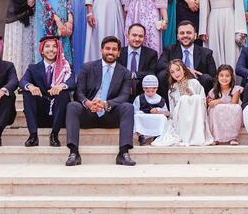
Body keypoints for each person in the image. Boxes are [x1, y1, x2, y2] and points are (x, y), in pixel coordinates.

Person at [65, 36, 135, 166]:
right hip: (89, 113)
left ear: (119, 53)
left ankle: (123, 153)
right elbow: (79, 92)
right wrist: (88, 103)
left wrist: (106, 104)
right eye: (107, 48)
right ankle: (73, 153)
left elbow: (124, 96)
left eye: (114, 49)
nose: (110, 52)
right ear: (101, 50)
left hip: (110, 114)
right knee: (72, 106)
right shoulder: (87, 67)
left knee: (128, 107)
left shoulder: (125, 72)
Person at [20, 35, 73, 148]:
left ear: (58, 50)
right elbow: (23, 81)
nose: (51, 49)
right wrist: (31, 87)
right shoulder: (33, 68)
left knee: (64, 92)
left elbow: (73, 82)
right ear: (42, 51)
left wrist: (61, 86)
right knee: (27, 92)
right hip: (40, 112)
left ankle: (54, 135)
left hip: (58, 113)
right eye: (47, 46)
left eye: (54, 46)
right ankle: (33, 135)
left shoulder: (66, 67)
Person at [152, 59, 214, 146]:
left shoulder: (194, 83)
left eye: (178, 70)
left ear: (184, 70)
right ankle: (185, 135)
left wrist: (192, 96)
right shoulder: (172, 89)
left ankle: (196, 135)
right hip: (180, 118)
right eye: (172, 72)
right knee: (184, 99)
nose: (176, 74)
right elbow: (173, 110)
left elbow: (203, 102)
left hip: (195, 117)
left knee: (194, 98)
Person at [157, 21, 217, 95]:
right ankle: (168, 105)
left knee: (206, 78)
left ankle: (202, 105)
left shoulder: (206, 53)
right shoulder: (169, 50)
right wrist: (186, 69)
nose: (185, 35)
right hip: (175, 83)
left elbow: (213, 77)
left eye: (189, 33)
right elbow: (160, 65)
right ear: (177, 36)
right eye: (182, 33)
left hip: (197, 86)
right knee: (162, 75)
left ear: (195, 35)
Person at [118, 23, 158, 98]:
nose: (137, 39)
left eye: (140, 36)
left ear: (144, 38)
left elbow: (152, 73)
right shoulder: (119, 52)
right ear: (127, 36)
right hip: (121, 88)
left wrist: (134, 75)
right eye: (134, 35)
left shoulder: (151, 54)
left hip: (141, 90)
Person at [207, 65, 243, 145]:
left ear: (231, 77)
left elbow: (233, 104)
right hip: (219, 117)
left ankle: (233, 137)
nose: (224, 78)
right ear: (217, 77)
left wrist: (219, 101)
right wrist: (211, 102)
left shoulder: (236, 89)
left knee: (235, 108)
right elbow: (211, 103)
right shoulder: (213, 91)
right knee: (213, 109)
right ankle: (215, 137)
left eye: (227, 76)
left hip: (232, 116)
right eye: (221, 75)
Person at [132, 75, 169, 145]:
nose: (150, 93)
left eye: (153, 91)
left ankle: (157, 135)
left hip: (155, 119)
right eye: (147, 91)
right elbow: (134, 110)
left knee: (162, 118)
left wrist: (158, 111)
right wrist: (141, 113)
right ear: (143, 89)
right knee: (136, 116)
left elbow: (167, 113)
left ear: (157, 89)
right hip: (143, 119)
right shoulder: (139, 98)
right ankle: (141, 136)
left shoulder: (161, 100)